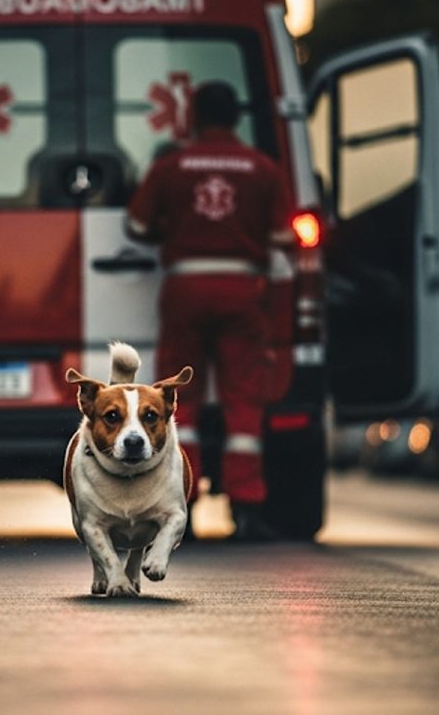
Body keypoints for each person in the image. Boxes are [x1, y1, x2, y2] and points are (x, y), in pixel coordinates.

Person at [126, 80, 295, 541]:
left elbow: (136, 225)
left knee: (179, 403)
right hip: (243, 291)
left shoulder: (171, 166)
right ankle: (247, 507)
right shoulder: (262, 168)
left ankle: (183, 504)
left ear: (194, 117)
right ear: (236, 117)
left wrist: (174, 227)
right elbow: (285, 237)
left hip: (185, 290)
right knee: (244, 402)